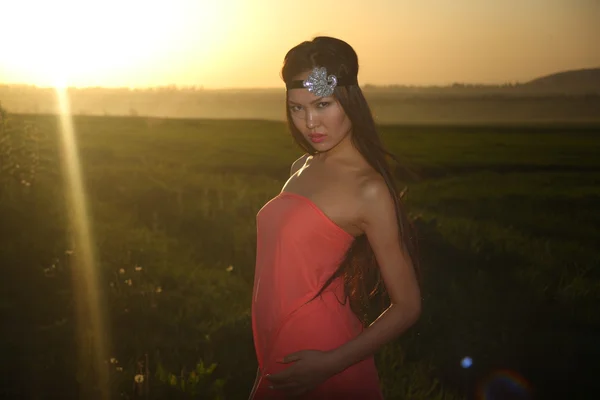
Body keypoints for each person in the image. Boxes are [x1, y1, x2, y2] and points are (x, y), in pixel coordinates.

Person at [249, 36, 421, 399]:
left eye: (322, 104)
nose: (310, 122)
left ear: (349, 100)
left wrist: (329, 364)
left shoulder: (368, 189)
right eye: (297, 108)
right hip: (278, 354)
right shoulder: (302, 165)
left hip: (324, 358)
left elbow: (407, 306)